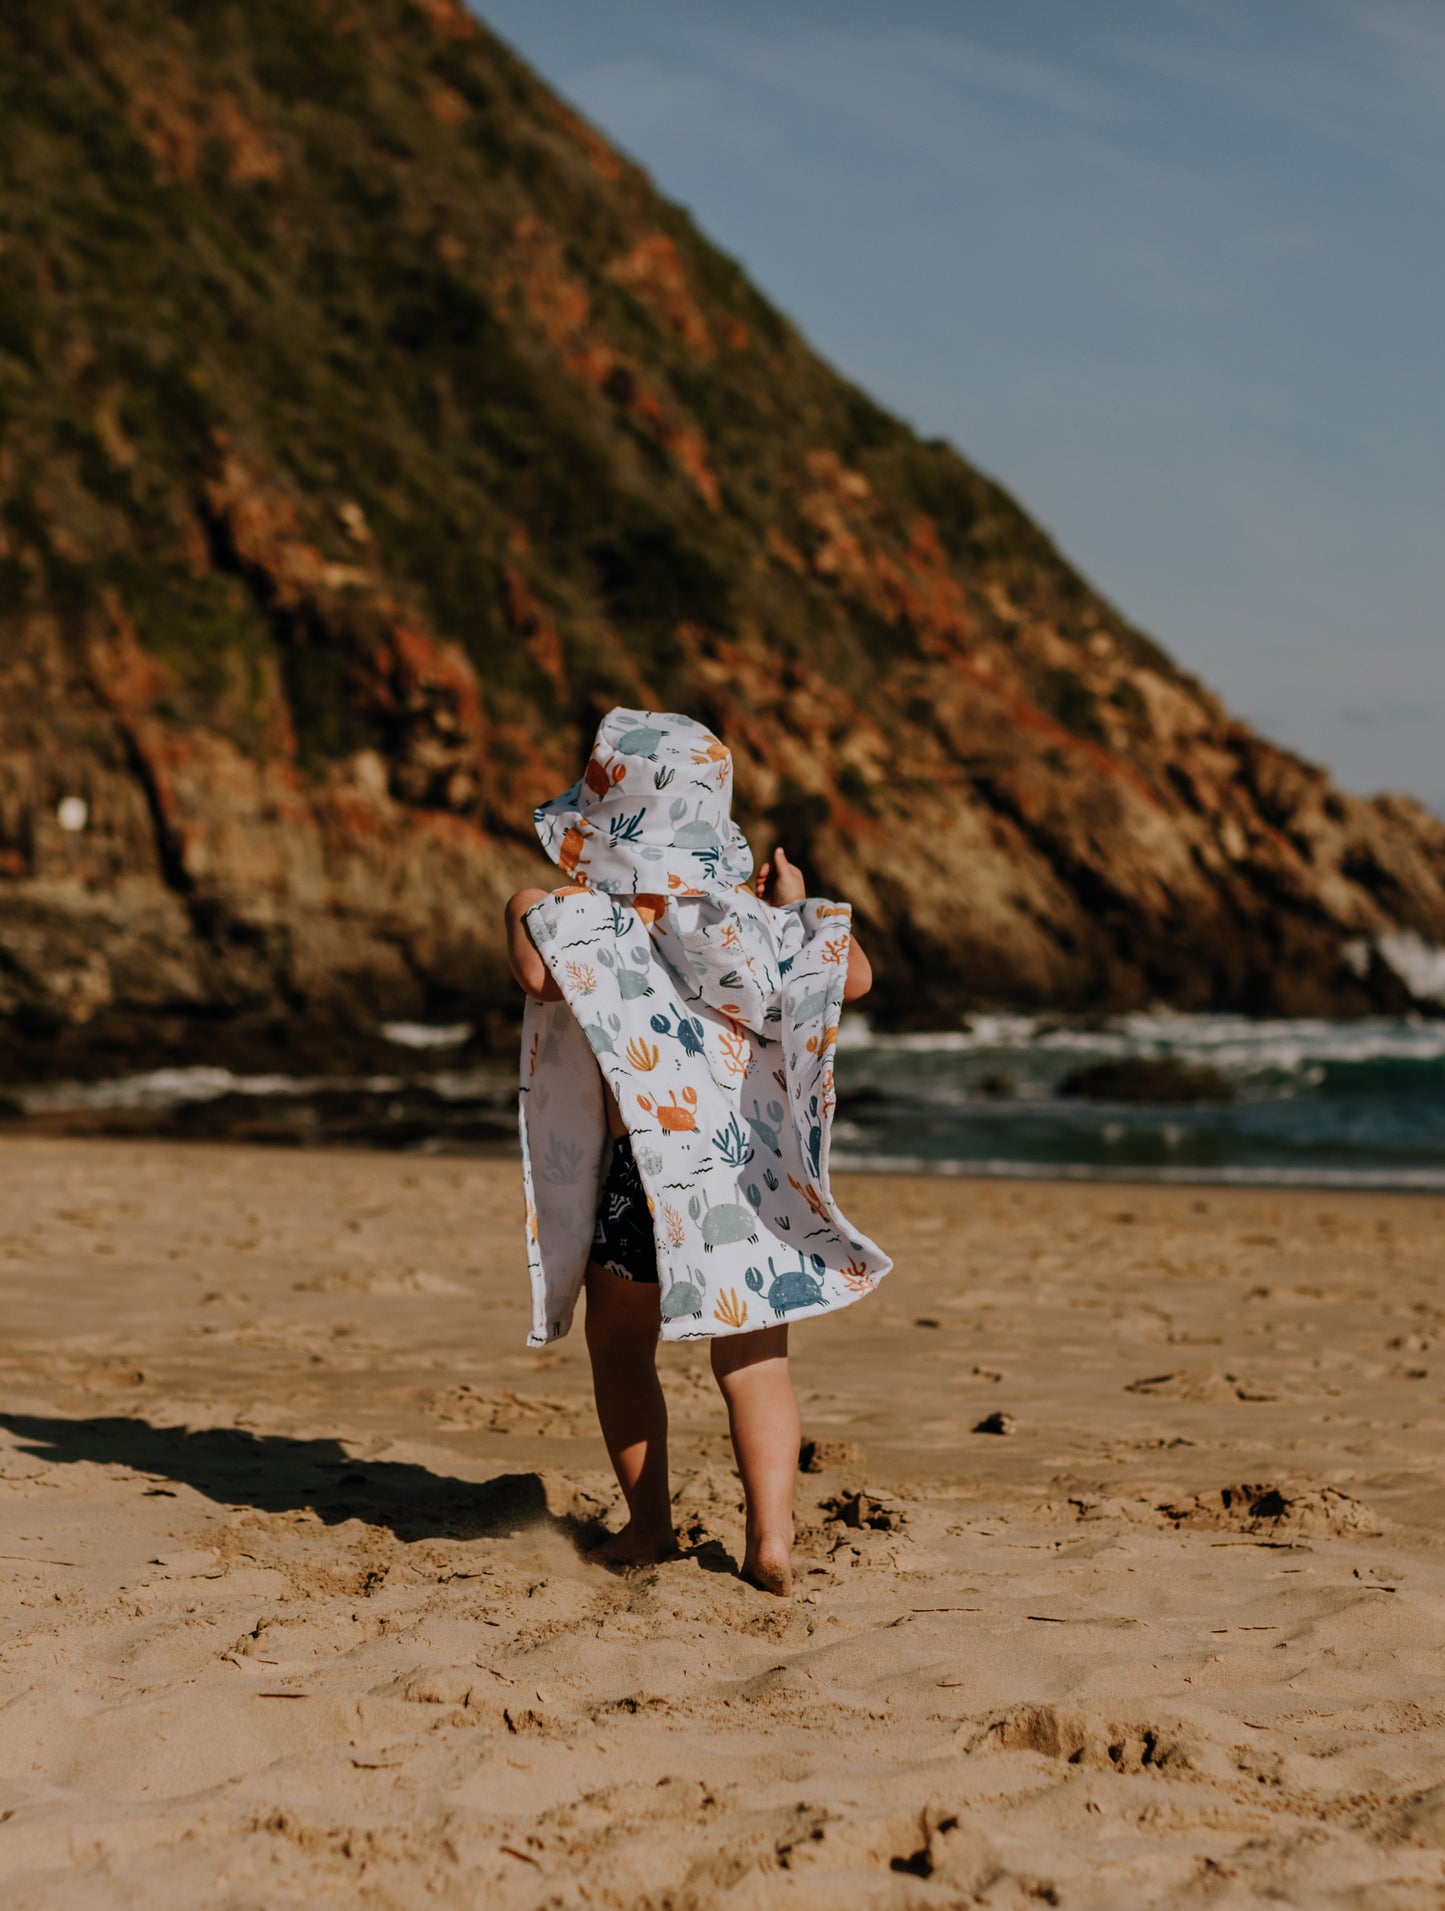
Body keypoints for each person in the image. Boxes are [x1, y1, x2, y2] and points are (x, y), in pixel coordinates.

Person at [505, 709, 889, 1597]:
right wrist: (789, 902)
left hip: (643, 1178)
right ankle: (773, 1541)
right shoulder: (748, 924)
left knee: (620, 1346)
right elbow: (853, 976)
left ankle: (648, 1526)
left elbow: (533, 974)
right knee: (755, 1361)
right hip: (746, 1179)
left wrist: (518, 901)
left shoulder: (572, 915)